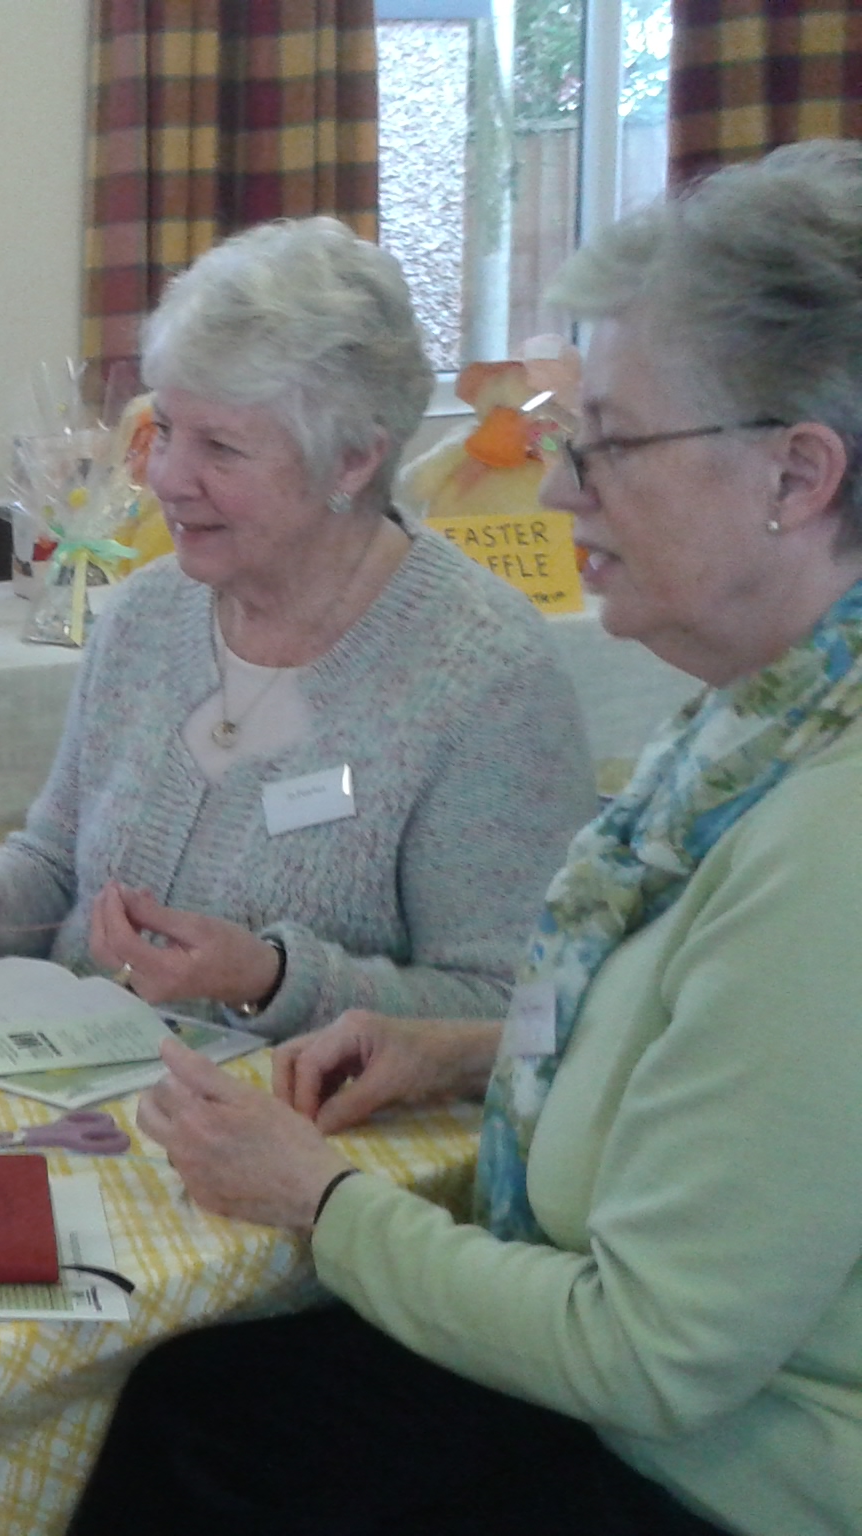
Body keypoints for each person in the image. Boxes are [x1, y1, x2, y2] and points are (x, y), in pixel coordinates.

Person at [76, 141, 862, 1536]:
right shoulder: (755, 728)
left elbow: (649, 1353)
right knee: (202, 1398)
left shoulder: (829, 826)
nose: (558, 492)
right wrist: (462, 1048)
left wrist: (321, 1199)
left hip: (726, 1484)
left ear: (798, 476)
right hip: (657, 1420)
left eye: (609, 442)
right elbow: (728, 1065)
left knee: (199, 1427)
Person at [0, 219, 598, 1036]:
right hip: (95, 1113)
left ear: (353, 460)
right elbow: (54, 869)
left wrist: (274, 979)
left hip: (299, 1148)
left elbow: (516, 1011)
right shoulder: (147, 615)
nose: (168, 479)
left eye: (220, 447)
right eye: (167, 432)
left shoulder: (484, 676)